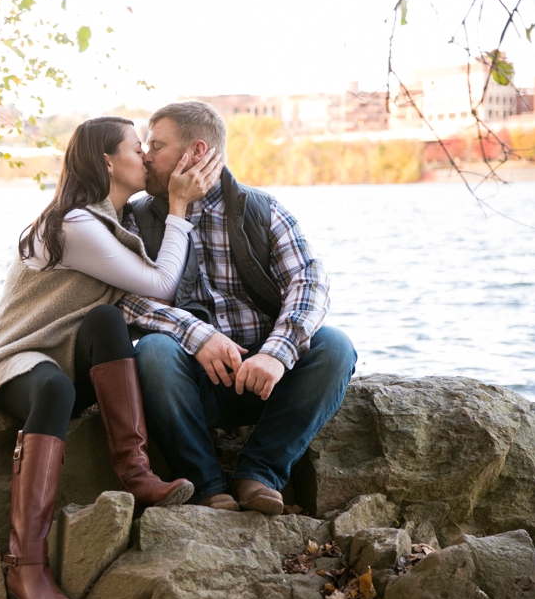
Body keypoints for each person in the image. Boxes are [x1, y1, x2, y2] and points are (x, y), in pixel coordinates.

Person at [0, 116, 221, 599]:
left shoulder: (114, 222)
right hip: (17, 360)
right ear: (107, 161)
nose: (145, 157)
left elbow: (138, 300)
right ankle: (27, 564)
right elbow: (160, 284)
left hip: (64, 358)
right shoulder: (76, 224)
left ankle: (136, 471)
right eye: (135, 148)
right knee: (55, 391)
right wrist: (178, 207)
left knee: (106, 321)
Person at [120, 100, 357, 515]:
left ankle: (260, 475)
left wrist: (275, 354)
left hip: (266, 379)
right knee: (154, 352)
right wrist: (198, 336)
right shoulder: (135, 218)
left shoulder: (263, 210)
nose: (146, 155)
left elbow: (310, 282)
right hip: (191, 383)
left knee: (335, 347)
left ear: (195, 152)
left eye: (156, 145)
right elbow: (124, 301)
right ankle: (207, 486)